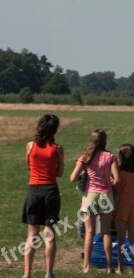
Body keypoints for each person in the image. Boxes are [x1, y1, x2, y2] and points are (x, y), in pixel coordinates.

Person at [70, 129, 120, 274]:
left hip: (90, 196)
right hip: (106, 195)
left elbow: (72, 178)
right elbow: (117, 180)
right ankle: (110, 267)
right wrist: (109, 182)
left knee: (89, 232)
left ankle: (86, 266)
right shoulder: (110, 156)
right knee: (106, 233)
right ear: (105, 141)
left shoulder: (85, 157)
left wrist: (83, 177)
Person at [21, 114, 64, 278]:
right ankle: (49, 273)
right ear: (54, 130)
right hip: (51, 191)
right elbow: (60, 172)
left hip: (33, 190)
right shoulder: (58, 148)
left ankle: (27, 272)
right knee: (49, 234)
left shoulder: (30, 146)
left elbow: (29, 168)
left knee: (32, 234)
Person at [114, 144, 134, 274]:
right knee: (132, 237)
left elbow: (118, 191)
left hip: (122, 205)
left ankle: (120, 267)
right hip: (133, 204)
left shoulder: (120, 172)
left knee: (121, 239)